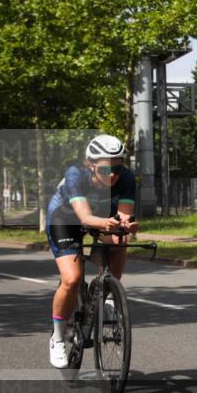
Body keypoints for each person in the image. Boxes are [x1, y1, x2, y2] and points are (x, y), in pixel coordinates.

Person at [45, 135, 139, 368]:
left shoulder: (126, 177)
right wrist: (106, 223)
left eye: (117, 167)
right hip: (65, 219)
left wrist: (126, 224)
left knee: (119, 239)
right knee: (72, 278)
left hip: (103, 217)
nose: (113, 174)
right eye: (106, 168)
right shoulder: (75, 174)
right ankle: (57, 337)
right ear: (91, 164)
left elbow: (125, 214)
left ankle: (107, 292)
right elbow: (85, 217)